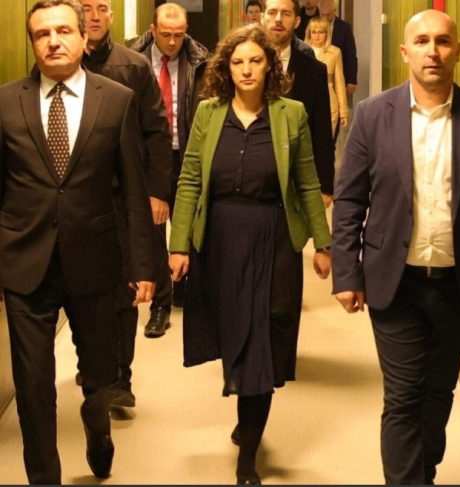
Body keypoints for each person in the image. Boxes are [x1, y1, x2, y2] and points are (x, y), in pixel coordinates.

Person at [332, 9, 460, 485]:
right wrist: (346, 272)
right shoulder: (373, 115)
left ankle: (423, 474)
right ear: (405, 52)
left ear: (457, 51)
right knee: (403, 397)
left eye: (442, 41)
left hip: (458, 284)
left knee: (437, 395)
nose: (432, 51)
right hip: (394, 283)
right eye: (421, 42)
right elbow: (350, 199)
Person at [0, 0, 156, 483]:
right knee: (33, 386)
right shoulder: (6, 102)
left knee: (100, 375)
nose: (53, 41)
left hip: (96, 259)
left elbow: (133, 189)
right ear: (33, 43)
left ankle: (96, 422)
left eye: (63, 31)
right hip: (25, 262)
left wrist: (142, 265)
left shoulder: (116, 99)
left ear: (84, 37)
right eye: (42, 34)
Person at [168, 24, 331, 484]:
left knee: (264, 337)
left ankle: (249, 454)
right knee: (233, 331)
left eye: (255, 61)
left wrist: (323, 244)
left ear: (269, 66)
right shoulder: (208, 113)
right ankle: (246, 409)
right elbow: (190, 179)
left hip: (272, 237)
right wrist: (178, 244)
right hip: (219, 238)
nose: (246, 70)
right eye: (237, 62)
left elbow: (307, 182)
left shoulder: (290, 113)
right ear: (226, 68)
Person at [80, 0, 172, 407]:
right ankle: (93, 366)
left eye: (101, 8)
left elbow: (156, 131)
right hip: (78, 199)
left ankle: (121, 378)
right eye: (85, 8)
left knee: (124, 289)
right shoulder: (62, 66)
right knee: (84, 288)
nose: (93, 16)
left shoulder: (133, 66)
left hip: (122, 196)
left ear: (112, 16)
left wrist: (157, 191)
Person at [127, 2, 210, 323]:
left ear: (186, 30)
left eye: (178, 35)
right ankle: (160, 304)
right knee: (153, 229)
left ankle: (184, 286)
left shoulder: (201, 61)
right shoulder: (132, 60)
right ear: (152, 31)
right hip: (147, 156)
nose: (173, 42)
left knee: (188, 224)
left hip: (186, 152)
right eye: (165, 35)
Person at [262, 0, 335, 207]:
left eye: (286, 14)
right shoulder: (243, 64)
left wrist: (325, 186)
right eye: (272, 12)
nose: (278, 19)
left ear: (297, 21)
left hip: (295, 177)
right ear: (262, 18)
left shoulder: (314, 71)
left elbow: (321, 130)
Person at [305, 16, 348, 134]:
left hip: (329, 103)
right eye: (314, 32)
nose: (317, 36)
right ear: (309, 33)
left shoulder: (335, 52)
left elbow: (339, 83)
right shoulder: (301, 50)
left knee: (326, 140)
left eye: (321, 32)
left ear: (327, 33)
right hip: (306, 102)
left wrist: (343, 111)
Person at [318, 0, 357, 96]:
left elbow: (350, 55)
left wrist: (352, 80)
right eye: (323, 15)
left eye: (328, 15)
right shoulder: (314, 26)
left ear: (334, 11)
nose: (325, 18)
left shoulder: (344, 28)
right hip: (319, 75)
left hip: (339, 75)